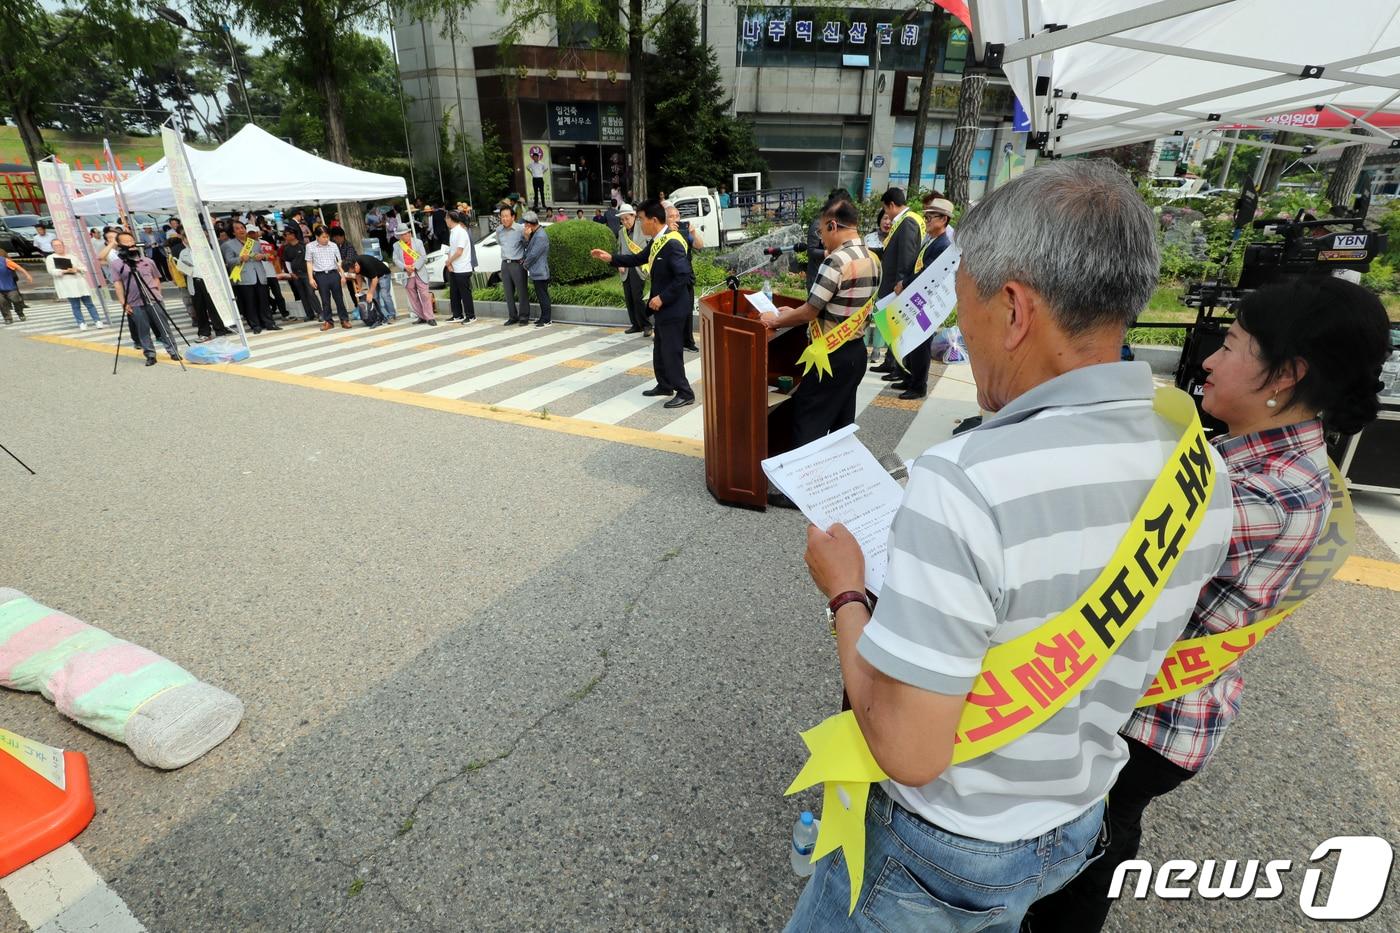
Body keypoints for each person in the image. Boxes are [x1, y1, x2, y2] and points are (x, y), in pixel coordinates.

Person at [785, 160, 1235, 930]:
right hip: (1073, 817)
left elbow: (907, 747)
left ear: (1016, 310)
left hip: (940, 847)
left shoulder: (966, 481)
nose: (962, 338)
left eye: (965, 314)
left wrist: (846, 590)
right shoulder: (1198, 468)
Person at [1024, 275, 1395, 933]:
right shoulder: (1274, 454)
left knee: (1078, 858)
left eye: (1230, 346)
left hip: (1146, 720)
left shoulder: (1262, 492)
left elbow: (1090, 564)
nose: (1208, 362)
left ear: (1287, 373)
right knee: (1097, 839)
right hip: (1178, 706)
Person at [759, 197, 878, 462]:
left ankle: (801, 483)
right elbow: (834, 306)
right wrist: (794, 312)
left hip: (829, 357)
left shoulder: (836, 261)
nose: (821, 239)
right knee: (841, 424)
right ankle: (836, 475)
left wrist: (774, 320)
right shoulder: (872, 258)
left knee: (808, 420)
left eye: (822, 231)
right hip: (855, 353)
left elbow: (810, 312)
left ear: (833, 225)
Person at [591, 198, 694, 409]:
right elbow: (637, 259)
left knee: (671, 350)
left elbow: (683, 276)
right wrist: (610, 258)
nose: (639, 223)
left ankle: (685, 392)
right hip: (663, 307)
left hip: (673, 306)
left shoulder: (672, 243)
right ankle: (665, 385)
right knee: (660, 349)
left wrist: (662, 297)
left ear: (653, 220)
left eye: (641, 219)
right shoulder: (657, 240)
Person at [887, 195, 956, 400]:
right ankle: (909, 378)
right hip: (916, 298)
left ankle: (919, 386)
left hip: (926, 303)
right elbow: (916, 266)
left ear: (943, 219)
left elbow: (928, 273)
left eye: (930, 218)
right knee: (910, 340)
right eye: (925, 217)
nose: (926, 221)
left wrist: (905, 283)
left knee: (921, 344)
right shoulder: (931, 241)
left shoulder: (943, 245)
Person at [872, 187, 924, 375]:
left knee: (897, 325)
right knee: (891, 325)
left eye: (886, 209)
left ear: (892, 205)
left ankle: (896, 365)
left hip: (897, 286)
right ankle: (890, 361)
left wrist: (901, 283)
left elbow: (906, 256)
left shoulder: (908, 222)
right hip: (894, 283)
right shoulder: (906, 220)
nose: (886, 213)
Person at [108, 231, 179, 366]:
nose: (130, 243)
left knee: (164, 327)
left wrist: (157, 293)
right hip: (134, 302)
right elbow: (118, 284)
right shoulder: (117, 264)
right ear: (120, 245)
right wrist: (123, 302)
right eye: (126, 241)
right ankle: (150, 355)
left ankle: (173, 351)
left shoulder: (148, 261)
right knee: (143, 330)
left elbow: (156, 278)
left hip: (154, 299)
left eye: (131, 240)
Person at [222, 221, 280, 334]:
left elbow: (266, 256)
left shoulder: (255, 243)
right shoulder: (228, 245)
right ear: (233, 232)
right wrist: (240, 259)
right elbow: (229, 261)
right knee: (250, 302)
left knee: (264, 300)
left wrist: (262, 256)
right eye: (237, 228)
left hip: (259, 275)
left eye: (242, 227)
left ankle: (269, 323)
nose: (241, 230)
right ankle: (255, 325)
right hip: (244, 277)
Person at [664, 200, 702, 352]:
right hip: (670, 277)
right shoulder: (663, 234)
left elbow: (699, 245)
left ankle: (687, 341)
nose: (675, 219)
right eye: (671, 216)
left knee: (687, 309)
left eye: (677, 216)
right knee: (672, 310)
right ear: (665, 219)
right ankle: (671, 339)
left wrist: (693, 233)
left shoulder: (684, 232)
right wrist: (668, 232)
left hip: (686, 276)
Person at [45, 239, 102, 330]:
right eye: (55, 246)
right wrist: (65, 271)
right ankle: (81, 322)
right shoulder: (50, 258)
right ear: (52, 247)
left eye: (60, 245)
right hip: (67, 284)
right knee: (75, 305)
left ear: (63, 245)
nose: (58, 247)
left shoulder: (72, 256)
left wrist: (77, 269)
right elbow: (51, 270)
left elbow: (83, 267)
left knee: (89, 303)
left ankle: (97, 320)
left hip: (79, 282)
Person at [616, 204, 651, 337]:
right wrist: (619, 263)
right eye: (622, 220)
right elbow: (619, 249)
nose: (625, 222)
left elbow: (650, 244)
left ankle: (646, 325)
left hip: (639, 267)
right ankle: (636, 325)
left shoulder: (643, 227)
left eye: (627, 219)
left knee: (637, 297)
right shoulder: (621, 232)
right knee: (629, 297)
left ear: (634, 216)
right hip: (626, 268)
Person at [305, 226, 350, 331]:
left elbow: (338, 261)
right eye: (323, 237)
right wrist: (311, 278)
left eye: (327, 237)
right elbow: (309, 262)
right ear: (317, 237)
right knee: (325, 300)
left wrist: (342, 275)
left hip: (334, 274)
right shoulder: (310, 246)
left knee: (339, 298)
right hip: (320, 275)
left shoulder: (333, 245)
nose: (326, 239)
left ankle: (344, 320)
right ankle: (328, 321)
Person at [393, 226, 436, 325]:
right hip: (407, 274)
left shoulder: (418, 242)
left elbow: (423, 257)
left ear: (410, 233)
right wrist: (405, 268)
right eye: (402, 235)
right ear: (399, 236)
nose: (405, 236)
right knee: (413, 297)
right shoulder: (396, 245)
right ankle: (421, 316)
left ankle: (430, 317)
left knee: (424, 295)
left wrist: (414, 267)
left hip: (419, 271)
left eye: (407, 233)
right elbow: (395, 259)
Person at [496, 204, 530, 326]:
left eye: (506, 216)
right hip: (505, 264)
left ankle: (524, 317)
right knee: (508, 293)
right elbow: (500, 243)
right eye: (502, 216)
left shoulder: (520, 229)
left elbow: (527, 245)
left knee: (522, 292)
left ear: (513, 217)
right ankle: (512, 316)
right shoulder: (499, 230)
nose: (504, 219)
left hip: (518, 264)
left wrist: (527, 237)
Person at [345, 252, 393, 328]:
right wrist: (359, 289)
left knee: (385, 295)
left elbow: (375, 279)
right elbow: (358, 276)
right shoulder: (352, 263)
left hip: (383, 275)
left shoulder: (366, 263)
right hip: (372, 276)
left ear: (356, 265)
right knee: (375, 298)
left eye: (354, 270)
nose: (354, 272)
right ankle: (381, 316)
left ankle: (391, 315)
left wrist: (370, 293)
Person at [444, 209, 476, 324]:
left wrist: (449, 261)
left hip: (463, 268)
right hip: (454, 267)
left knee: (465, 294)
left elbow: (459, 252)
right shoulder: (453, 231)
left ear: (450, 219)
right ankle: (457, 315)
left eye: (446, 218)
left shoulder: (461, 232)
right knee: (454, 293)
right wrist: (449, 263)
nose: (445, 220)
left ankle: (471, 316)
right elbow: (451, 249)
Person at [522, 212, 553, 327]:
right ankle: (543, 318)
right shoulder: (536, 233)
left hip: (541, 271)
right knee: (541, 296)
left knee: (543, 296)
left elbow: (533, 254)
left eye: (526, 224)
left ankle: (546, 320)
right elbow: (529, 248)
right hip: (538, 271)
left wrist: (525, 264)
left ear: (530, 224)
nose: (525, 226)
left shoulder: (540, 236)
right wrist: (527, 237)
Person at [281, 228, 318, 321]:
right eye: (285, 235)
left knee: (311, 293)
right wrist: (291, 273)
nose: (286, 236)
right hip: (296, 274)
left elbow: (311, 258)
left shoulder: (303, 245)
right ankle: (309, 314)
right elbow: (287, 261)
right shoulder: (286, 248)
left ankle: (320, 312)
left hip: (306, 273)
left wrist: (312, 271)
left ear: (293, 234)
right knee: (302, 295)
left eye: (287, 234)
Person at [0, 248, 34, 324]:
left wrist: (27, 275)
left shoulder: (5, 261)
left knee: (16, 300)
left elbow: (18, 267)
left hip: (9, 286)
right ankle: (7, 318)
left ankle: (20, 313)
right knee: (1, 302)